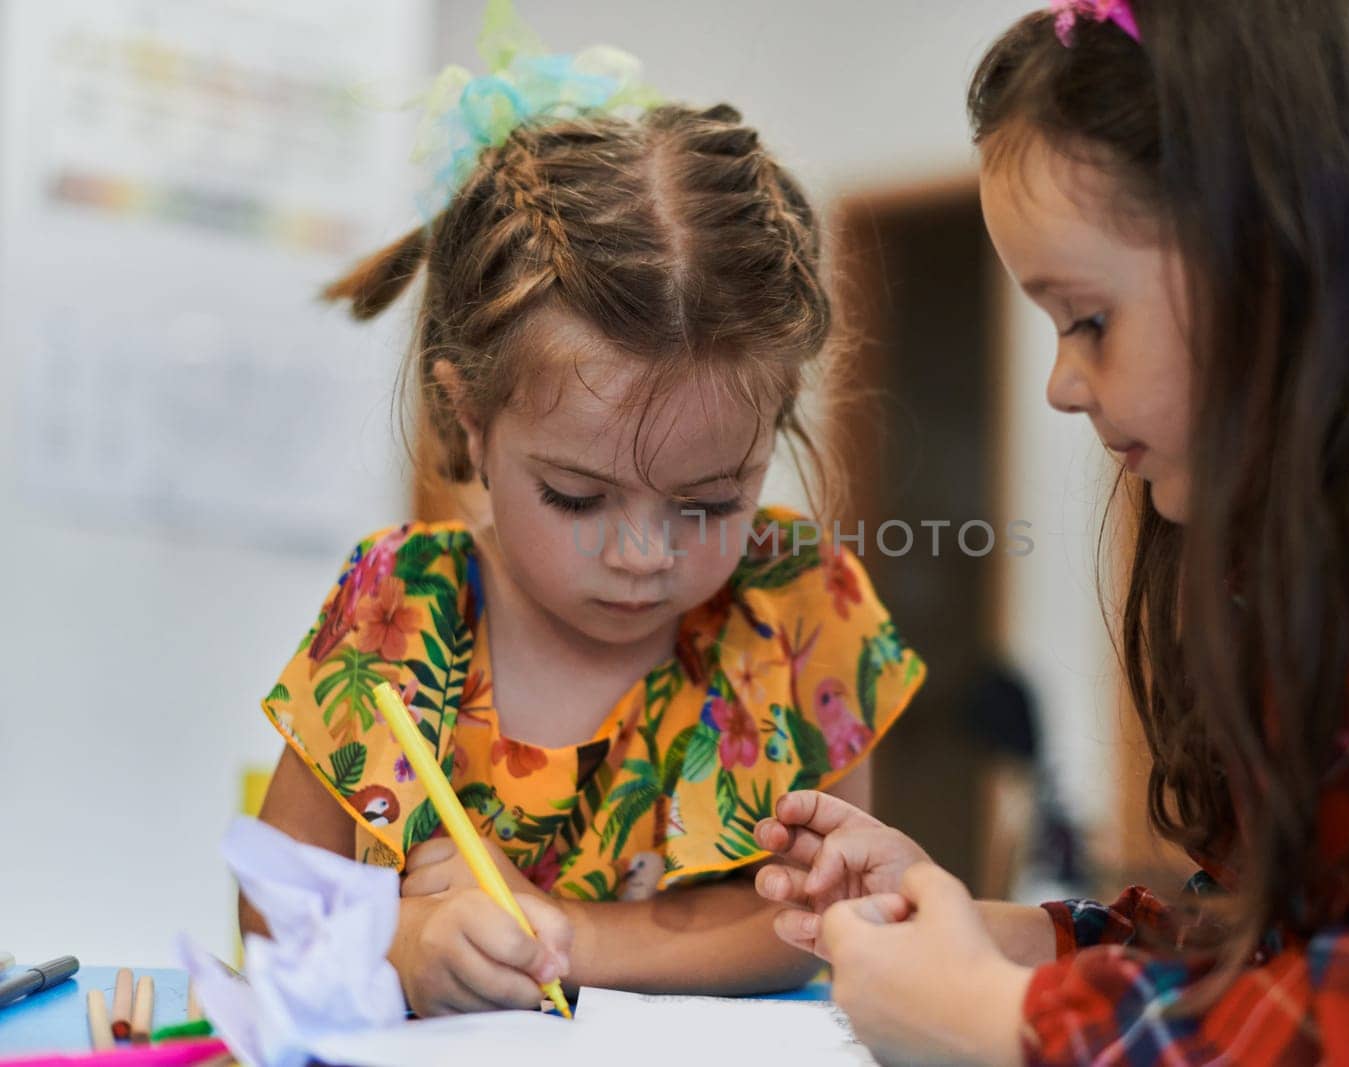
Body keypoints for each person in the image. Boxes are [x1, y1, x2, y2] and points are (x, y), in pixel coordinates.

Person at [755, 1, 1349, 1061]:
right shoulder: (1305, 545)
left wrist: (988, 1016)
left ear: (1292, 255)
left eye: (1090, 321)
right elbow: (1267, 949)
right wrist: (997, 940)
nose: (1063, 383)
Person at [244, 23, 923, 1017]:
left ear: (771, 430)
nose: (644, 554)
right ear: (470, 419)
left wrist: (573, 933)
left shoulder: (799, 608)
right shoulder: (397, 607)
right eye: (576, 496)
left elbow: (818, 913)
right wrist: (406, 941)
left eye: (708, 501)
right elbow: (270, 915)